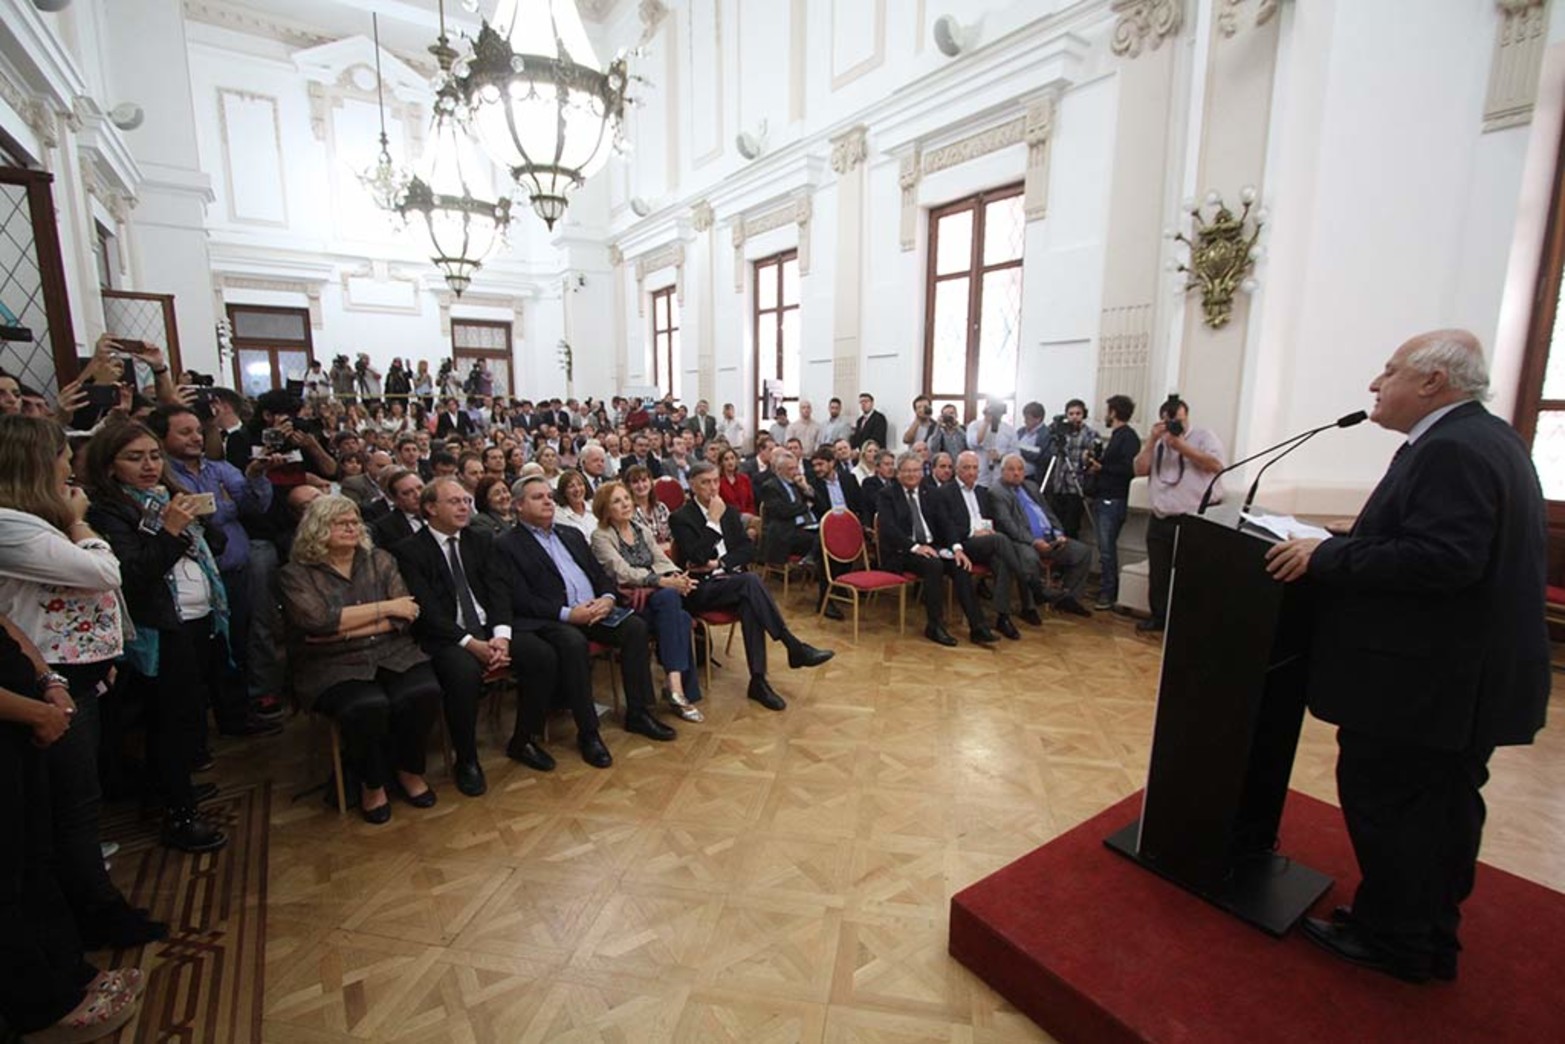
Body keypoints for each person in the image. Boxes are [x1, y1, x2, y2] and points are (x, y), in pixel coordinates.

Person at [1264, 330, 1549, 984]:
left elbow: (1443, 559)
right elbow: (1426, 542)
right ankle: (1420, 929)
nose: (1373, 384)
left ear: (1431, 382)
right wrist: (1336, 543)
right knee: (1438, 809)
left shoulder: (1450, 449)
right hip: (1452, 683)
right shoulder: (1483, 439)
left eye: (1387, 371)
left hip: (1425, 686)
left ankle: (1397, 939)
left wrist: (1327, 555)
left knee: (1399, 807)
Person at [0, 415, 170, 948]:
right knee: (70, 805)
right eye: (59, 454)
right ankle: (94, 913)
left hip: (72, 672)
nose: (68, 463)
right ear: (35, 463)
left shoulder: (30, 520)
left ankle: (87, 904)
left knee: (77, 799)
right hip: (46, 680)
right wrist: (79, 522)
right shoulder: (11, 524)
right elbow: (104, 572)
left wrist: (102, 654)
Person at [81, 422, 228, 852]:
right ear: (110, 466)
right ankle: (179, 816)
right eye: (134, 457)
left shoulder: (166, 497)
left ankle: (170, 786)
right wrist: (168, 529)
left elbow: (213, 544)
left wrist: (196, 519)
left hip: (198, 616)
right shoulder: (106, 513)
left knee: (187, 713)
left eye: (153, 455)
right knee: (168, 720)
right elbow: (132, 574)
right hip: (158, 626)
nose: (148, 465)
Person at [0, 615, 147, 1041]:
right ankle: (43, 1009)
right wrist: (35, 711)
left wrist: (50, 681)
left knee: (37, 858)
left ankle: (69, 972)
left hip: (27, 721)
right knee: (5, 877)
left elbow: (6, 626)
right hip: (20, 718)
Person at [279, 496, 441, 824]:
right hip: (330, 663)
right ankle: (372, 782)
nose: (352, 527)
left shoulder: (380, 559)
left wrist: (344, 627)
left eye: (355, 520)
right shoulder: (295, 574)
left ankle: (409, 770)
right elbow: (316, 621)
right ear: (318, 528)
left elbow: (406, 612)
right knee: (367, 705)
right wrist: (383, 609)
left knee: (423, 692)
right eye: (341, 522)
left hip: (392, 651)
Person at [496, 476, 677, 745]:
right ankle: (588, 732)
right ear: (519, 506)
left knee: (636, 627)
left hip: (596, 610)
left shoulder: (571, 534)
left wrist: (606, 597)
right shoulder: (506, 544)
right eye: (538, 497)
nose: (548, 501)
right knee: (573, 642)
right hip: (555, 619)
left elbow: (599, 574)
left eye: (549, 496)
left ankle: (639, 712)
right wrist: (569, 614)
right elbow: (521, 599)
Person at [152, 404, 282, 738]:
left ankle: (237, 715)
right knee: (200, 655)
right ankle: (199, 732)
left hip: (234, 571)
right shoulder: (162, 475)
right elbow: (200, 518)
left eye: (198, 430)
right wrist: (223, 506)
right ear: (162, 437)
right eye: (185, 432)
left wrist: (254, 476)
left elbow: (253, 506)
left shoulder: (220, 468)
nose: (196, 437)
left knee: (237, 644)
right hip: (191, 580)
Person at [390, 479, 524, 797]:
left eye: (466, 500)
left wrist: (501, 637)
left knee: (542, 652)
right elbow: (428, 611)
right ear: (431, 508)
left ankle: (525, 739)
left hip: (489, 630)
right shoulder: (409, 550)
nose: (465, 506)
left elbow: (499, 591)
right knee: (462, 674)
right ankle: (467, 760)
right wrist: (471, 644)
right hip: (446, 637)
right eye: (455, 501)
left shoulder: (480, 540)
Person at [668, 462, 834, 709]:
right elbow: (697, 557)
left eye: (716, 481)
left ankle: (758, 681)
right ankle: (792, 646)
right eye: (705, 482)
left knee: (750, 599)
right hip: (699, 589)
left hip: (731, 580)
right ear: (692, 485)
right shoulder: (681, 517)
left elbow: (747, 550)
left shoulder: (730, 511)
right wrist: (712, 522)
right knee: (751, 582)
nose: (713, 488)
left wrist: (720, 563)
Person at [588, 482, 703, 723]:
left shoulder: (641, 529)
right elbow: (623, 572)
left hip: (656, 600)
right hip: (627, 603)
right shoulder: (601, 536)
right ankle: (679, 690)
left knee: (677, 612)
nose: (626, 504)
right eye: (617, 501)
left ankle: (675, 686)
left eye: (626, 499)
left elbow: (662, 560)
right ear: (605, 510)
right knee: (674, 607)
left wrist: (676, 577)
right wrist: (660, 581)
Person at [876, 452, 998, 647]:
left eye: (915, 470)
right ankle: (935, 625)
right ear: (898, 473)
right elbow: (889, 529)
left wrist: (957, 548)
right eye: (907, 471)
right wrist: (916, 547)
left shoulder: (930, 492)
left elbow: (945, 523)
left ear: (921, 473)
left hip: (933, 547)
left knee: (960, 565)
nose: (911, 475)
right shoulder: (887, 495)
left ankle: (978, 626)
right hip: (903, 551)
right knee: (933, 565)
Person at [1132, 394, 1226, 634]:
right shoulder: (1159, 442)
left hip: (1193, 518)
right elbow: (1139, 469)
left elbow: (1216, 465)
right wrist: (1152, 441)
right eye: (1169, 422)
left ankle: (1186, 623)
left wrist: (1182, 446)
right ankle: (1158, 617)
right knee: (1159, 573)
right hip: (1162, 517)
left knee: (1191, 574)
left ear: (1187, 418)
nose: (1175, 426)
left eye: (1179, 421)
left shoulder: (1203, 436)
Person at [933, 450, 1037, 639]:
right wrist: (974, 533)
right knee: (1000, 540)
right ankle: (1029, 580)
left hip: (985, 543)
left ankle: (1003, 618)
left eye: (974, 468)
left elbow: (990, 520)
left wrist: (988, 530)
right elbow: (945, 527)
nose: (971, 472)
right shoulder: (944, 493)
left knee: (1001, 561)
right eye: (966, 468)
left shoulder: (982, 492)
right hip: (962, 544)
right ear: (957, 470)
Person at [990, 453, 1092, 617]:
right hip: (1022, 541)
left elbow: (1048, 513)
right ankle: (1029, 608)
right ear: (1002, 471)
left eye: (1020, 469)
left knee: (1083, 552)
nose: (1016, 473)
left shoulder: (1031, 487)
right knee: (1029, 559)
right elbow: (1009, 526)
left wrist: (1058, 533)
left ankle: (1067, 599)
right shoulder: (997, 492)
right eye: (1011, 469)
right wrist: (1033, 542)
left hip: (1050, 538)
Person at [1087, 395, 1141, 610]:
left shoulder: (1127, 437)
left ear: (1114, 412)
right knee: (1103, 546)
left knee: (1107, 547)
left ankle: (1109, 592)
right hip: (1106, 496)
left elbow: (1129, 469)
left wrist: (1102, 468)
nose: (1106, 415)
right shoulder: (1118, 435)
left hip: (1114, 498)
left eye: (1108, 411)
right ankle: (1105, 587)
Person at [1043, 400, 1099, 539]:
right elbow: (1052, 452)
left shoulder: (1090, 433)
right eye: (1071, 414)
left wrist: (1089, 457)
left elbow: (1094, 456)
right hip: (1058, 484)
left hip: (1076, 485)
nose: (1074, 417)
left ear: (1083, 415)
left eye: (1078, 413)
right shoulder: (1061, 433)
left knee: (1071, 526)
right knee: (1055, 524)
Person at [370, 467, 426, 548]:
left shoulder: (443, 513)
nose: (418, 495)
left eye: (420, 488)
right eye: (407, 493)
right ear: (394, 499)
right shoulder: (384, 528)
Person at [967, 399, 1016, 488]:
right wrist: (986, 421)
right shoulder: (974, 425)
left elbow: (1015, 455)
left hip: (1000, 479)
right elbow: (974, 442)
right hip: (979, 479)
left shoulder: (1009, 430)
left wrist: (1000, 457)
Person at [623, 464, 673, 552]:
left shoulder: (661, 507)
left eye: (644, 480)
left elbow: (673, 535)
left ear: (651, 482)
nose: (641, 485)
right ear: (628, 486)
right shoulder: (626, 512)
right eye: (635, 482)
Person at [552, 469, 597, 539]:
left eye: (580, 484)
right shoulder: (558, 515)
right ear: (563, 491)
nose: (577, 489)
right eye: (571, 486)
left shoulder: (595, 507)